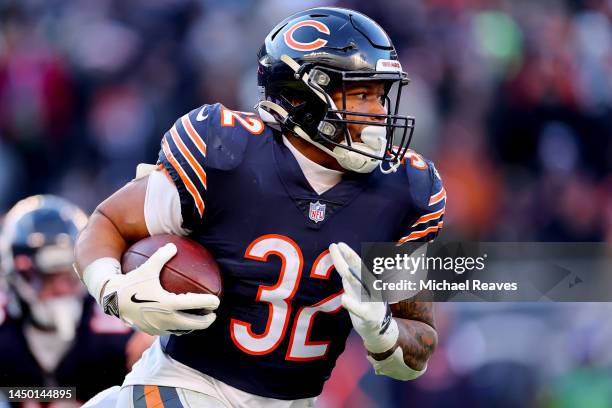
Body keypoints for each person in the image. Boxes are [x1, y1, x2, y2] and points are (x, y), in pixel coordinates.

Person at [75, 7, 446, 408]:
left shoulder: (404, 191)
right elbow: (106, 222)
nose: (378, 112)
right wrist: (113, 289)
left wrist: (387, 334)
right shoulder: (224, 154)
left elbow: (419, 343)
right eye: (360, 94)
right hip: (187, 384)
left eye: (380, 95)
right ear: (301, 96)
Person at [0, 195, 153, 406]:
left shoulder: (110, 319)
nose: (62, 288)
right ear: (14, 272)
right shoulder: (5, 323)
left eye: (70, 275)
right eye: (46, 277)